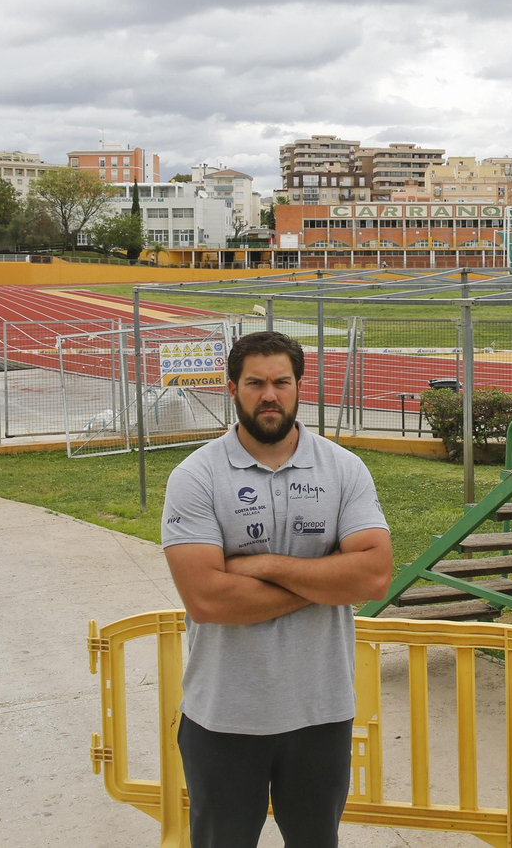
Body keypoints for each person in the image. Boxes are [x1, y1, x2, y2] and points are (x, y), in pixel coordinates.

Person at [160, 330, 393, 847]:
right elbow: (208, 599)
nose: (270, 394)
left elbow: (374, 575)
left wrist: (262, 565)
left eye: (281, 382)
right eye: (255, 383)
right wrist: (327, 580)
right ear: (232, 389)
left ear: (298, 386)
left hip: (321, 712)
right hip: (224, 715)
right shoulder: (195, 477)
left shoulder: (342, 469)